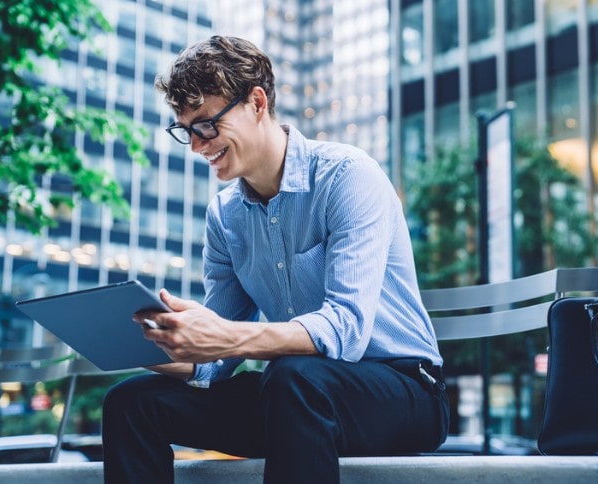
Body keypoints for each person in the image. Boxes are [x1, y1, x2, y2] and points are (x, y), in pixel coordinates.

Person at [101, 35, 449, 484]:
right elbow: (213, 363)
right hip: (299, 402)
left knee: (292, 378)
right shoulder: (224, 216)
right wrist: (159, 343)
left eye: (205, 124)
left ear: (257, 102)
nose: (196, 145)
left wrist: (226, 335)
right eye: (185, 131)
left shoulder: (347, 176)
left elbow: (346, 329)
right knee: (131, 402)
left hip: (404, 392)